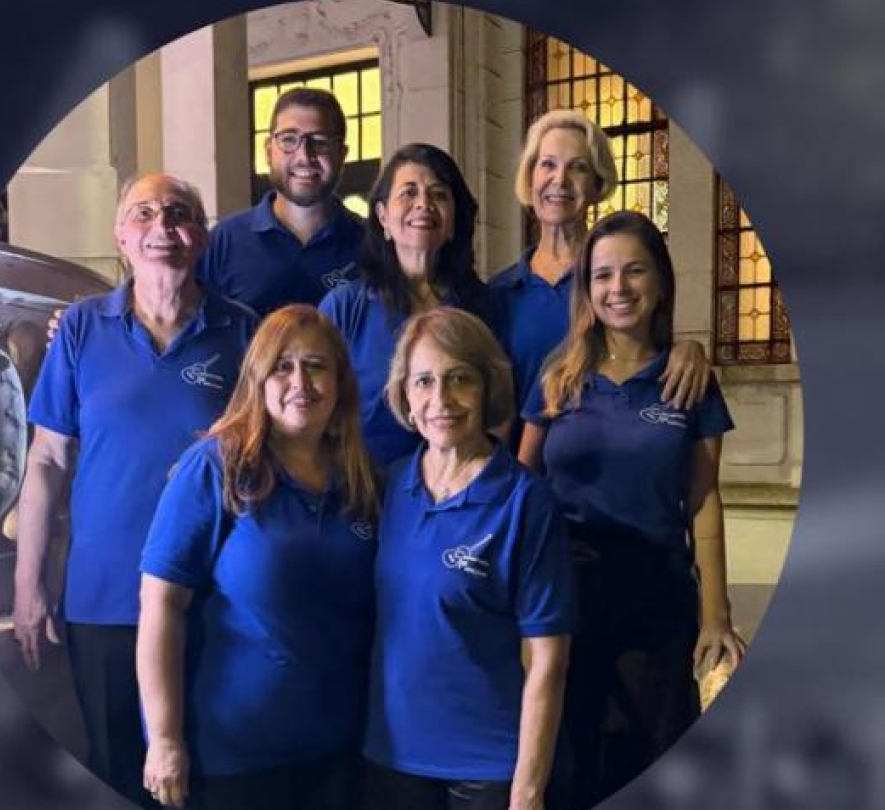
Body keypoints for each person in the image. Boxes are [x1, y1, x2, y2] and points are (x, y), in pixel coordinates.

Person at [13, 173, 258, 807]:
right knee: (114, 769)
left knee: (205, 777)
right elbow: (46, 459)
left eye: (178, 214)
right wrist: (28, 583)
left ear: (201, 236)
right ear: (121, 236)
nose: (161, 227)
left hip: (215, 598)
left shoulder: (243, 331)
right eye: (143, 214)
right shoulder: (80, 330)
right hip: (103, 601)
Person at [519, 211, 747, 808]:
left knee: (650, 756)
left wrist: (716, 614)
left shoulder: (687, 379)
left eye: (634, 271)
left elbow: (703, 499)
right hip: (566, 593)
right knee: (568, 755)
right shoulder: (557, 377)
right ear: (586, 289)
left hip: (655, 593)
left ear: (661, 282)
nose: (617, 288)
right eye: (602, 275)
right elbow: (521, 484)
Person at [137, 305, 380, 810]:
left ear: (339, 381)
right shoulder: (216, 466)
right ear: (258, 379)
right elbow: (160, 604)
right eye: (282, 366)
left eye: (316, 366)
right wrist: (164, 738)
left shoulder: (362, 480)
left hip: (337, 751)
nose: (301, 382)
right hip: (236, 755)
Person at [364, 306, 573, 810]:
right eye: (424, 382)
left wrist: (528, 788)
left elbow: (546, 657)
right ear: (405, 397)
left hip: (489, 768)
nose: (441, 400)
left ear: (487, 387)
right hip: (390, 758)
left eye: (460, 378)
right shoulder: (387, 488)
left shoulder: (525, 500)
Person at [491, 110, 709, 445]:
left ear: (597, 183)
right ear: (530, 178)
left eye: (577, 167)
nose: (560, 180)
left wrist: (687, 349)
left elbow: (646, 349)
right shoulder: (497, 293)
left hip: (600, 473)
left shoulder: (615, 287)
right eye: (547, 164)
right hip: (521, 478)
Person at [319, 143, 500, 466]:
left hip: (454, 494)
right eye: (409, 193)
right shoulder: (345, 308)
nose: (424, 205)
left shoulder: (483, 306)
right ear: (383, 216)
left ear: (455, 219)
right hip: (364, 495)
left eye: (439, 195)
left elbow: (499, 410)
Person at [197, 88, 364, 314]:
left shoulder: (371, 243)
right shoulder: (223, 242)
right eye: (289, 140)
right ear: (268, 151)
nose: (304, 155)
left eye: (320, 141)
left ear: (342, 154)